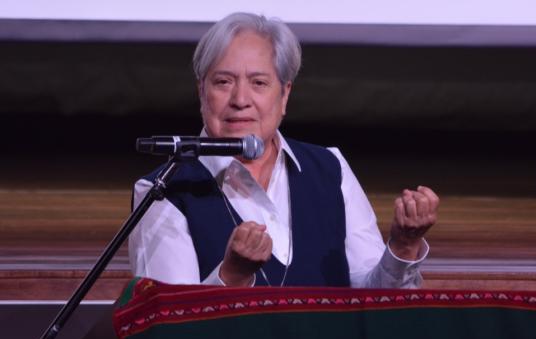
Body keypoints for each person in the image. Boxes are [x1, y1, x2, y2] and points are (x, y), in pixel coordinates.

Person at [128, 12, 439, 288]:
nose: (240, 99)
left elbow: (373, 302)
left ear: (285, 93)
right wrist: (231, 277)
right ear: (201, 91)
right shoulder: (164, 191)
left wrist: (403, 246)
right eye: (223, 82)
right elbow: (169, 326)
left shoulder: (329, 168)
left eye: (259, 83)